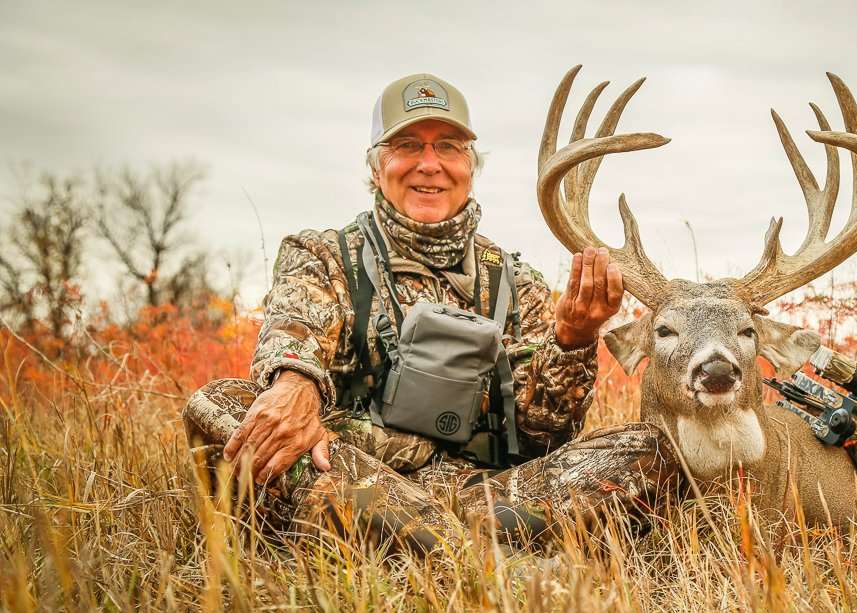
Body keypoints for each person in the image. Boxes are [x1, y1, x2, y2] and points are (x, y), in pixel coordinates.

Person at [183, 73, 678, 553]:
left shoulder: (515, 281)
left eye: (448, 147)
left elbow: (543, 438)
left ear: (470, 167)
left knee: (651, 448)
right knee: (220, 402)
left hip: (485, 496)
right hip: (351, 478)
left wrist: (573, 338)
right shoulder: (323, 255)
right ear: (376, 167)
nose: (429, 164)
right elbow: (293, 332)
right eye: (407, 146)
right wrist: (295, 384)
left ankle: (431, 547)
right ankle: (484, 561)